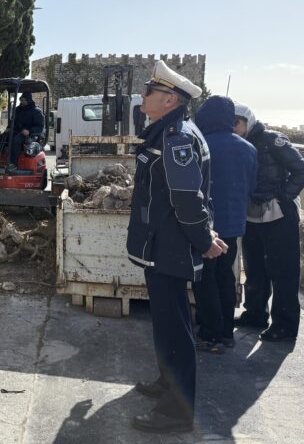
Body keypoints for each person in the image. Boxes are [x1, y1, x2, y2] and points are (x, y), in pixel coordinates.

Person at [127, 60, 227, 434]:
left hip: (169, 247)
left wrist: (204, 240)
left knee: (175, 330)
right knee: (167, 323)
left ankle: (176, 412)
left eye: (149, 91)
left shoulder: (177, 138)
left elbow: (187, 198)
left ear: (169, 99)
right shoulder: (170, 131)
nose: (143, 95)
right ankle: (167, 383)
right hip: (161, 245)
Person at [233, 103, 304, 341]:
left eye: (237, 122)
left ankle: (285, 325)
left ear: (248, 121)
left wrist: (284, 196)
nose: (233, 128)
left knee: (283, 271)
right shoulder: (238, 144)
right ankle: (255, 314)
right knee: (255, 268)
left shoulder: (273, 140)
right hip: (252, 214)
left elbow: (300, 169)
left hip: (279, 214)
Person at [193, 96, 257, 353]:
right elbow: (251, 187)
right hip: (233, 225)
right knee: (224, 276)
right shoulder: (248, 148)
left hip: (206, 226)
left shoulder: (201, 144)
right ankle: (227, 333)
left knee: (204, 278)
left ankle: (210, 334)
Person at [10, 91, 45, 165]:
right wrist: (9, 127)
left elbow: (40, 126)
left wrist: (29, 131)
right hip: (17, 131)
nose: (22, 102)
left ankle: (13, 163)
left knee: (16, 140)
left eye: (24, 100)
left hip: (30, 134)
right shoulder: (17, 110)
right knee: (2, 137)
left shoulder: (36, 111)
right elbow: (13, 121)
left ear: (29, 100)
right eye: (21, 100)